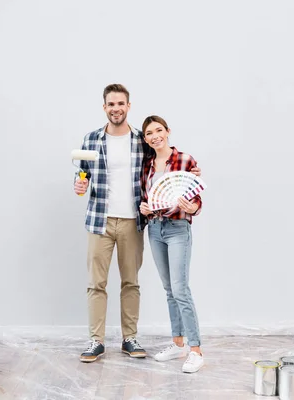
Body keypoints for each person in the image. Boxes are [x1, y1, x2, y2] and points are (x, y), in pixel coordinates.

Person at [73, 85, 200, 363]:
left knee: (131, 282)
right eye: (110, 104)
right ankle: (96, 340)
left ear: (128, 106)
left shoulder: (142, 140)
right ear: (104, 107)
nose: (115, 108)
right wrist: (79, 185)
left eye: (120, 103)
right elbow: (81, 176)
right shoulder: (91, 139)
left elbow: (164, 161)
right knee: (97, 283)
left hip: (134, 221)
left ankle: (129, 338)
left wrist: (190, 172)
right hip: (99, 221)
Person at [139, 115, 205, 373]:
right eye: (149, 134)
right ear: (145, 139)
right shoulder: (147, 165)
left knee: (180, 289)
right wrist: (144, 208)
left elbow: (197, 198)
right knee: (169, 289)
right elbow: (146, 199)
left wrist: (193, 206)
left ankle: (196, 350)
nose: (155, 136)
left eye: (158, 130)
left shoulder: (186, 160)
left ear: (167, 131)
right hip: (154, 229)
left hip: (178, 229)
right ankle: (178, 343)